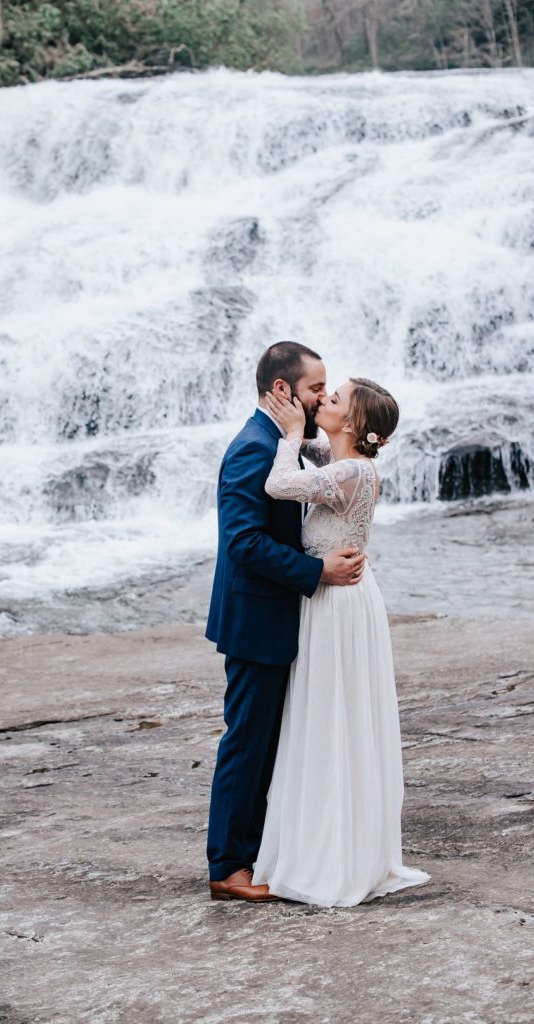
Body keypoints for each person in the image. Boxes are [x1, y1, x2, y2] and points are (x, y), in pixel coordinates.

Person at [252, 378, 431, 905]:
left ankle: (333, 858)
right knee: (329, 715)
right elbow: (313, 442)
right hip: (335, 597)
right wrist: (292, 415)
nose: (323, 402)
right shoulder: (340, 456)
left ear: (352, 424)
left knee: (332, 717)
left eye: (333, 399)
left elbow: (280, 485)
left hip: (338, 604)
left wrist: (287, 436)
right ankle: (333, 843)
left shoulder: (351, 469)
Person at [205, 342, 366, 902]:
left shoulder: (281, 441)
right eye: (316, 388)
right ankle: (228, 867)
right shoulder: (253, 448)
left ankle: (260, 854)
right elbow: (243, 543)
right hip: (256, 619)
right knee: (248, 742)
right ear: (282, 390)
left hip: (277, 614)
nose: (323, 396)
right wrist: (316, 570)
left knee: (271, 742)